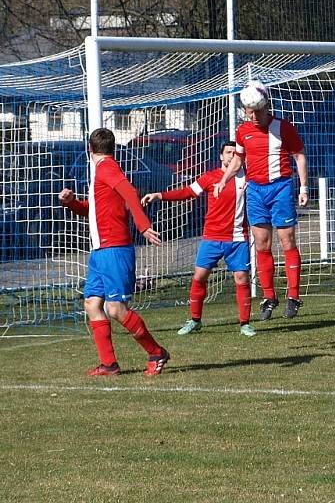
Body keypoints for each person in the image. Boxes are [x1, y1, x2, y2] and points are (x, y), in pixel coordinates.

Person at [58, 128, 169, 376]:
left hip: (114, 249)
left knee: (116, 308)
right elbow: (93, 210)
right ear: (113, 147)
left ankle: (156, 352)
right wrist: (71, 203)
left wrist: (144, 226)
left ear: (89, 148)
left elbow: (131, 193)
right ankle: (109, 364)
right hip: (100, 251)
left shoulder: (106, 168)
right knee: (92, 304)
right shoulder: (102, 172)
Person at [215, 80, 308, 321]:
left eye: (258, 110)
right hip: (255, 190)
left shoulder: (284, 127)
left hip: (281, 187)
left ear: (266, 106)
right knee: (261, 243)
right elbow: (238, 160)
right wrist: (224, 179)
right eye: (249, 111)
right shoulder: (243, 131)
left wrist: (304, 187)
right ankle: (269, 297)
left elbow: (299, 156)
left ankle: (294, 296)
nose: (254, 116)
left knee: (286, 239)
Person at [142, 141, 256, 337]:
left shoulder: (246, 178)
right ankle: (195, 320)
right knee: (199, 277)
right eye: (227, 152)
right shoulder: (210, 177)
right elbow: (187, 192)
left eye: (234, 153)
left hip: (237, 238)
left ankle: (245, 323)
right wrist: (159, 195)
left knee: (241, 278)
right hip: (211, 237)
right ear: (221, 156)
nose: (231, 156)